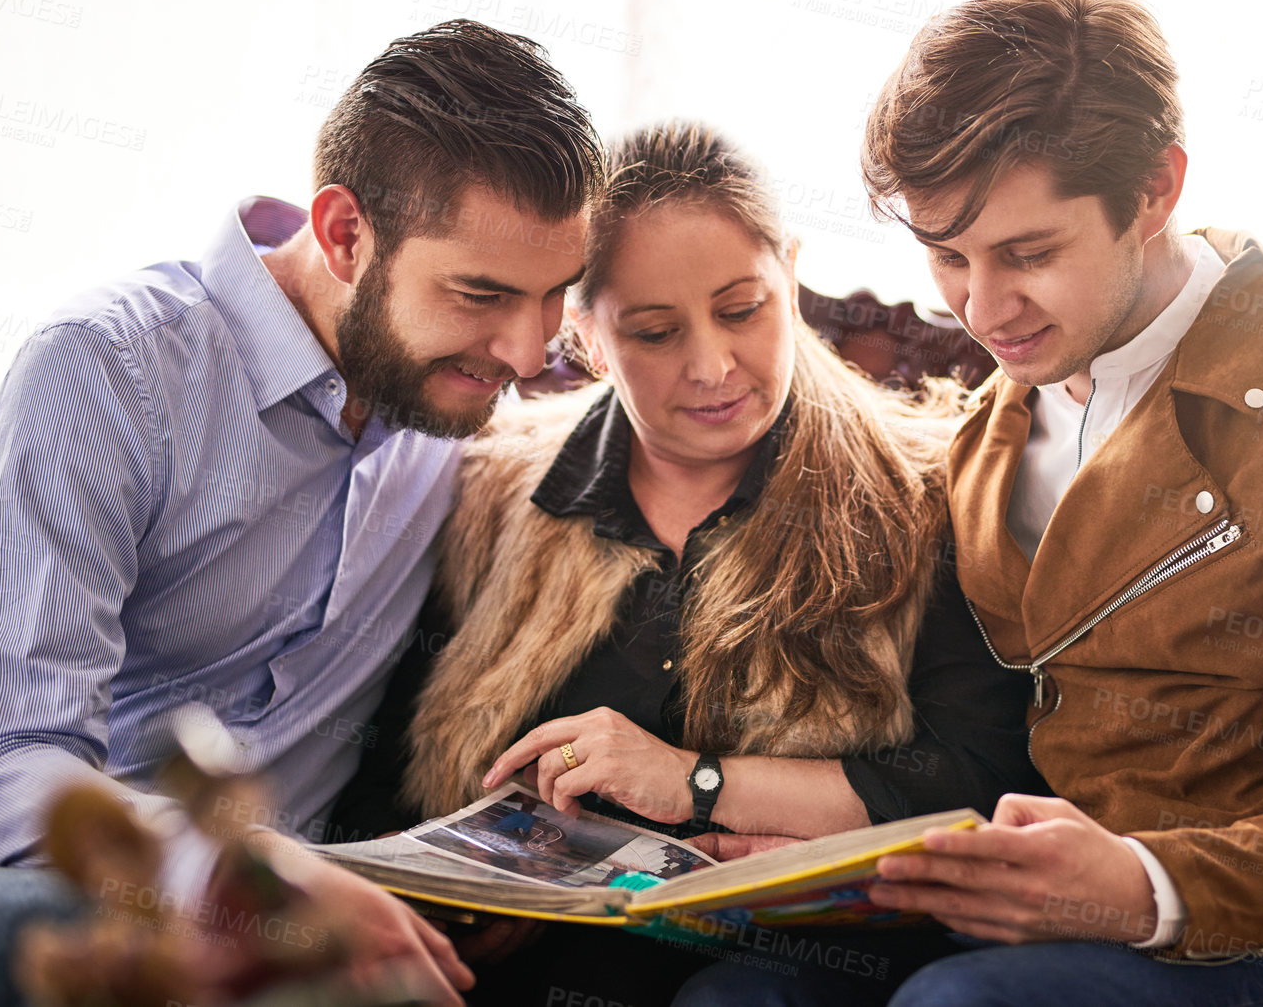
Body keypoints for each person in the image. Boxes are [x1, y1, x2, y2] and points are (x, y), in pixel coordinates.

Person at [844, 0, 1263, 1007]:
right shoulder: (984, 434)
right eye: (946, 257)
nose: (981, 306)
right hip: (1042, 923)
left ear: (1154, 189)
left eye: (1028, 252)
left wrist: (1140, 885)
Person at [0, 19, 602, 1006]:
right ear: (343, 234)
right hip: (105, 898)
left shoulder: (447, 400)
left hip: (329, 924)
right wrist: (248, 879)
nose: (523, 354)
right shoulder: (104, 372)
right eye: (482, 295)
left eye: (554, 296)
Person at [334, 121, 1043, 1006]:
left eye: (742, 309)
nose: (712, 366)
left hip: (787, 971)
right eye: (656, 332)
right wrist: (451, 899)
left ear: (788, 272)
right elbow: (391, 765)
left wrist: (696, 782)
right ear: (586, 335)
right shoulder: (495, 489)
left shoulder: (927, 494)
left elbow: (982, 775)